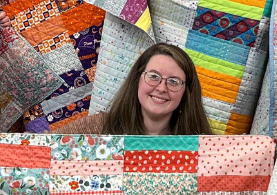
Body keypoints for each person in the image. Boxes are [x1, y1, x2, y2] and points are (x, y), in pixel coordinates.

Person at [68, 43, 212, 136]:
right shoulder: (97, 128)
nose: (162, 88)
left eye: (173, 82)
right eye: (154, 76)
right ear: (137, 79)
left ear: (186, 92)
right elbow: (45, 152)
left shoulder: (204, 148)